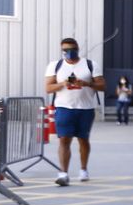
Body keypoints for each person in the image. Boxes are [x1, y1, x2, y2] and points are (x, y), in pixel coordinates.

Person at [43, 37, 105, 186]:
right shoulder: (55, 65)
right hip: (64, 108)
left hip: (85, 108)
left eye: (72, 50)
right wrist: (63, 84)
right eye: (65, 50)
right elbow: (48, 88)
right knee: (64, 139)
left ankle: (83, 169)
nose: (69, 53)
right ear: (62, 51)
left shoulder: (90, 65)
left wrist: (86, 83)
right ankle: (63, 173)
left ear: (77, 49)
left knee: (83, 139)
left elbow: (102, 86)